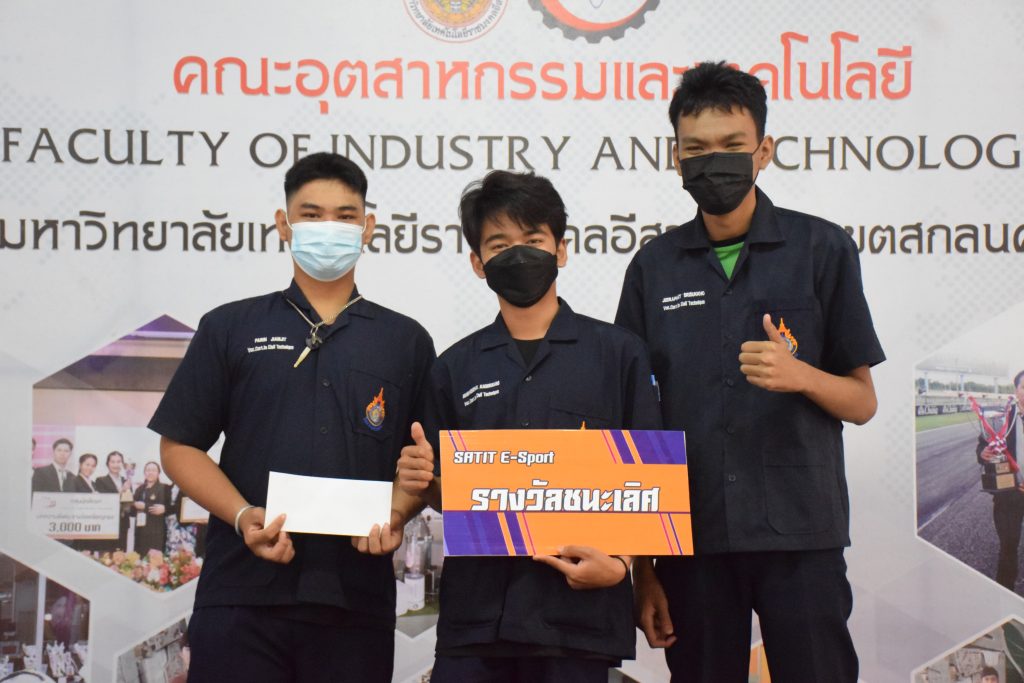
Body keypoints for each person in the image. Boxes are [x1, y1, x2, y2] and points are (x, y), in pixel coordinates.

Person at [615, 61, 884, 682]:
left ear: (763, 150)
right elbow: (637, 426)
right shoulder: (653, 267)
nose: (715, 162)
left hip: (801, 534)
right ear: (675, 159)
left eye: (732, 145)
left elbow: (863, 401)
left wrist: (803, 376)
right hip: (692, 537)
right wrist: (644, 567)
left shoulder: (821, 249)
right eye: (696, 149)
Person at [148, 152, 434, 683]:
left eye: (345, 216)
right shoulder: (229, 327)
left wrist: (396, 514)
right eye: (311, 214)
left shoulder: (406, 341)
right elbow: (179, 446)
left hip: (356, 602)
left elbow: (424, 464)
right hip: (241, 595)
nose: (329, 228)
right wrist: (241, 516)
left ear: (368, 227)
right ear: (284, 224)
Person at [398, 170, 661, 682]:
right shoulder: (454, 367)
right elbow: (443, 490)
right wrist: (423, 480)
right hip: (476, 620)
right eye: (499, 245)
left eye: (534, 240)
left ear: (561, 249)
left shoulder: (619, 355)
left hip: (578, 617)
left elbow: (651, 477)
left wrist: (623, 563)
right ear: (478, 263)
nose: (518, 255)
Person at [977, 370, 1024, 591]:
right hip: (1008, 495)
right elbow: (982, 443)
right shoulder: (1001, 417)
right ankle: (1004, 595)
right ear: (1016, 390)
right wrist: (983, 453)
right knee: (1008, 547)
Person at [94, 450, 134, 552]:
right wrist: (121, 490)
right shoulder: (100, 480)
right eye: (113, 462)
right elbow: (104, 502)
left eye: (118, 461)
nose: (116, 465)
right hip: (107, 524)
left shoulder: (126, 480)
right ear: (107, 464)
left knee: (121, 554)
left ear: (122, 464)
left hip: (123, 523)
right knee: (106, 555)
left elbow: (129, 503)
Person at [133, 461, 172, 556]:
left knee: (155, 559)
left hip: (157, 531)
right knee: (140, 558)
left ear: (158, 473)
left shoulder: (165, 488)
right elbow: (132, 510)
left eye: (154, 470)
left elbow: (171, 507)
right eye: (148, 470)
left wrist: (165, 509)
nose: (150, 472)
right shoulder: (139, 489)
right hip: (141, 532)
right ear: (144, 472)